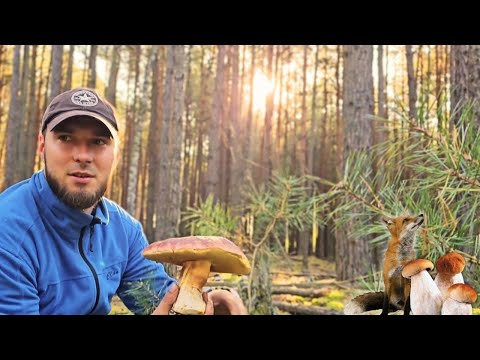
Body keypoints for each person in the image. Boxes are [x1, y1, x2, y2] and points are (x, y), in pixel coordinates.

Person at [0, 88, 246, 315]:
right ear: (42, 146)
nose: (83, 155)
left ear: (115, 155)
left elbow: (157, 300)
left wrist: (217, 301)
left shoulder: (123, 231)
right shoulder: (9, 231)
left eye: (98, 142)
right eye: (66, 138)